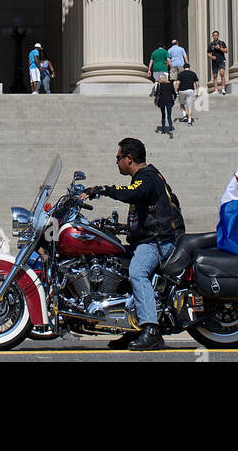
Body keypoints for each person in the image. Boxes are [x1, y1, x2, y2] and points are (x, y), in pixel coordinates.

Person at [83, 137, 185, 351]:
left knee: (137, 272)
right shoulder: (149, 178)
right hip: (149, 239)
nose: (117, 162)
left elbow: (133, 193)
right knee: (119, 267)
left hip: (158, 242)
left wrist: (102, 189)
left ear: (129, 159)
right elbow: (147, 217)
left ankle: (151, 330)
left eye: (118, 158)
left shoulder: (146, 177)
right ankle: (132, 328)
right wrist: (118, 228)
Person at [154, 73, 176, 138]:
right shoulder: (170, 84)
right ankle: (170, 128)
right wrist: (174, 98)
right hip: (169, 101)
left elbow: (157, 93)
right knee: (169, 115)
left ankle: (163, 130)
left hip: (162, 101)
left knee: (163, 115)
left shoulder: (159, 85)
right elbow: (174, 93)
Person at [207, 30, 228, 95]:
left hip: (221, 60)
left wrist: (219, 48)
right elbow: (208, 53)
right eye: (214, 35)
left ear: (218, 36)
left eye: (216, 35)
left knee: (222, 74)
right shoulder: (211, 44)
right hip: (214, 62)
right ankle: (216, 90)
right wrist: (211, 57)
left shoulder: (221, 43)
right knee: (215, 76)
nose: (215, 36)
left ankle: (223, 89)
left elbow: (226, 50)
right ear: (212, 36)